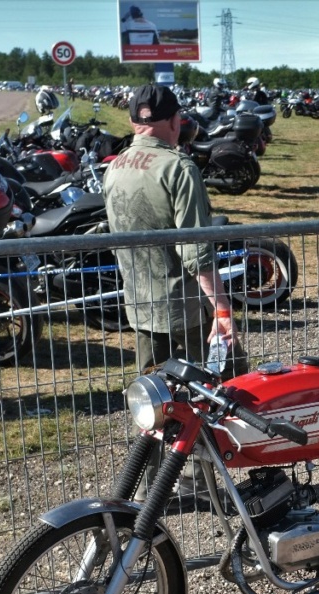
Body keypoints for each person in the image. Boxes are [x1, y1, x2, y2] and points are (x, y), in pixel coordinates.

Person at [103, 83, 244, 378]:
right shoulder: (178, 168)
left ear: (132, 122)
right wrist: (221, 309)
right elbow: (196, 248)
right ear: (174, 121)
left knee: (153, 394)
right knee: (234, 379)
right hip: (186, 307)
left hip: (140, 302)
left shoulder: (113, 168)